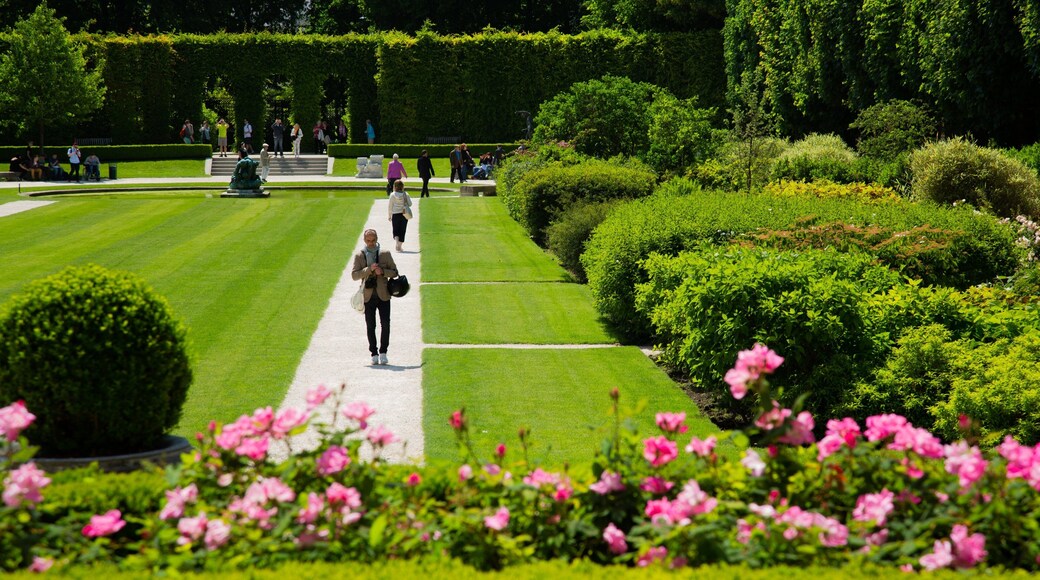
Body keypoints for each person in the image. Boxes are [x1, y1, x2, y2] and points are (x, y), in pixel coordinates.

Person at [351, 229, 398, 365]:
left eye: (373, 240)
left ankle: (383, 352)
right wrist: (369, 270)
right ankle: (374, 353)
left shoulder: (385, 254)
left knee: (386, 324)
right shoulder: (359, 256)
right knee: (370, 326)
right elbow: (354, 275)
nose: (371, 243)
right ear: (364, 240)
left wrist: (382, 271)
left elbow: (395, 272)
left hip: (384, 295)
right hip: (368, 296)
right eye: (368, 241)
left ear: (377, 239)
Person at [388, 179, 413, 252]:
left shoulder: (392, 195)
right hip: (404, 214)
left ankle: (396, 242)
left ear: (394, 187)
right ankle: (399, 245)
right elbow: (410, 204)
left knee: (396, 230)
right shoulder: (405, 194)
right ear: (402, 186)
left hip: (395, 214)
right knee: (402, 230)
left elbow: (390, 206)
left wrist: (389, 215)